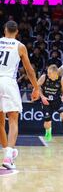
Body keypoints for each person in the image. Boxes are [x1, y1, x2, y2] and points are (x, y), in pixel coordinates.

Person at [0, 20, 40, 169]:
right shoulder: (20, 46)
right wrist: (36, 88)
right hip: (8, 82)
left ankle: (7, 152)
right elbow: (29, 70)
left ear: (5, 30)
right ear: (16, 32)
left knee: (0, 122)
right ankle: (8, 157)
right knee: (13, 120)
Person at [38, 65, 63, 147]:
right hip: (46, 101)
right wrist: (42, 97)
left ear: (55, 73)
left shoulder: (62, 79)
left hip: (57, 101)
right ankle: (48, 131)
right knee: (48, 122)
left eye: (49, 73)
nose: (48, 74)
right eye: (48, 72)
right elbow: (37, 86)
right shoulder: (44, 77)